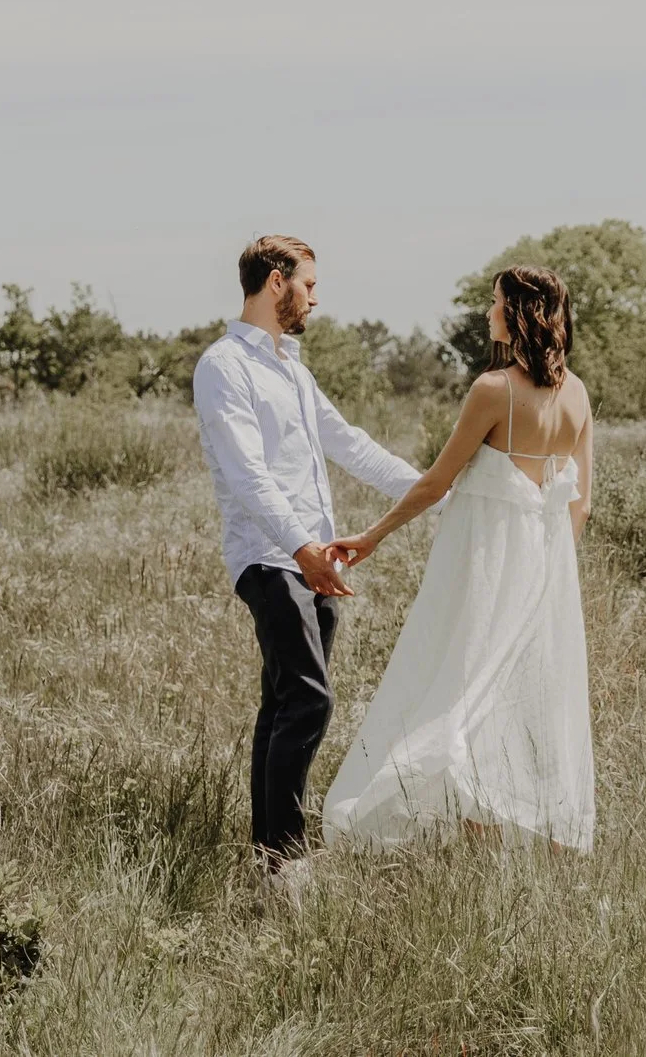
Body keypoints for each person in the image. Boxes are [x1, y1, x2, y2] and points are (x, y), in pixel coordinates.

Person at [321, 265, 595, 851]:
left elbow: (435, 483)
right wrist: (550, 576)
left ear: (518, 312)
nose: (488, 312)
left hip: (485, 567)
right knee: (506, 700)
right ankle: (490, 833)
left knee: (453, 688)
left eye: (495, 302)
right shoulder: (577, 393)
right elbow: (582, 504)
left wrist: (372, 536)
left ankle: (462, 816)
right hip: (544, 573)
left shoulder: (494, 390)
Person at [191, 235, 421, 884]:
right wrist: (301, 549)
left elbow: (349, 444)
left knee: (283, 703)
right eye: (308, 285)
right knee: (309, 700)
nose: (315, 298)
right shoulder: (223, 366)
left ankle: (269, 860)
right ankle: (287, 857)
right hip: (271, 557)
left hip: (314, 560)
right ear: (276, 282)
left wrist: (432, 489)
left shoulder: (293, 369)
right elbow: (247, 474)